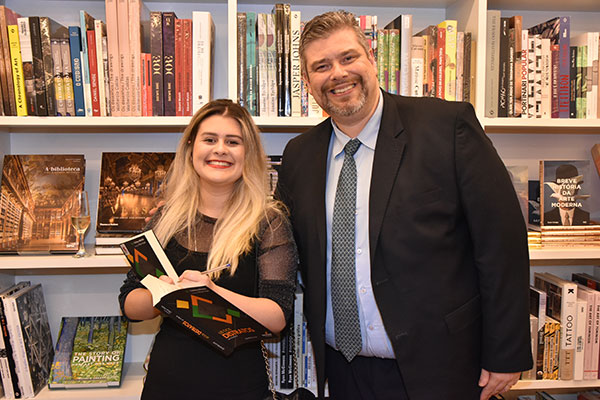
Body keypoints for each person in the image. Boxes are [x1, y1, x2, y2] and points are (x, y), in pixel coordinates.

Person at [276, 11, 532, 400]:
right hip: (342, 371)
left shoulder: (447, 126)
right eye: (321, 66)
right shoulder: (299, 155)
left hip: (440, 366)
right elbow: (281, 247)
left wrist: (505, 351)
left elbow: (502, 244)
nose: (338, 74)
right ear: (308, 83)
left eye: (348, 58)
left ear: (371, 58)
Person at [119, 99, 297, 399]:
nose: (220, 149)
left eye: (233, 142)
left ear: (248, 153)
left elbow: (278, 317)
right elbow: (130, 305)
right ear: (191, 148)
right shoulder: (166, 219)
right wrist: (164, 295)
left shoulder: (269, 222)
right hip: (166, 383)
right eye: (210, 140)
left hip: (240, 386)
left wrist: (211, 292)